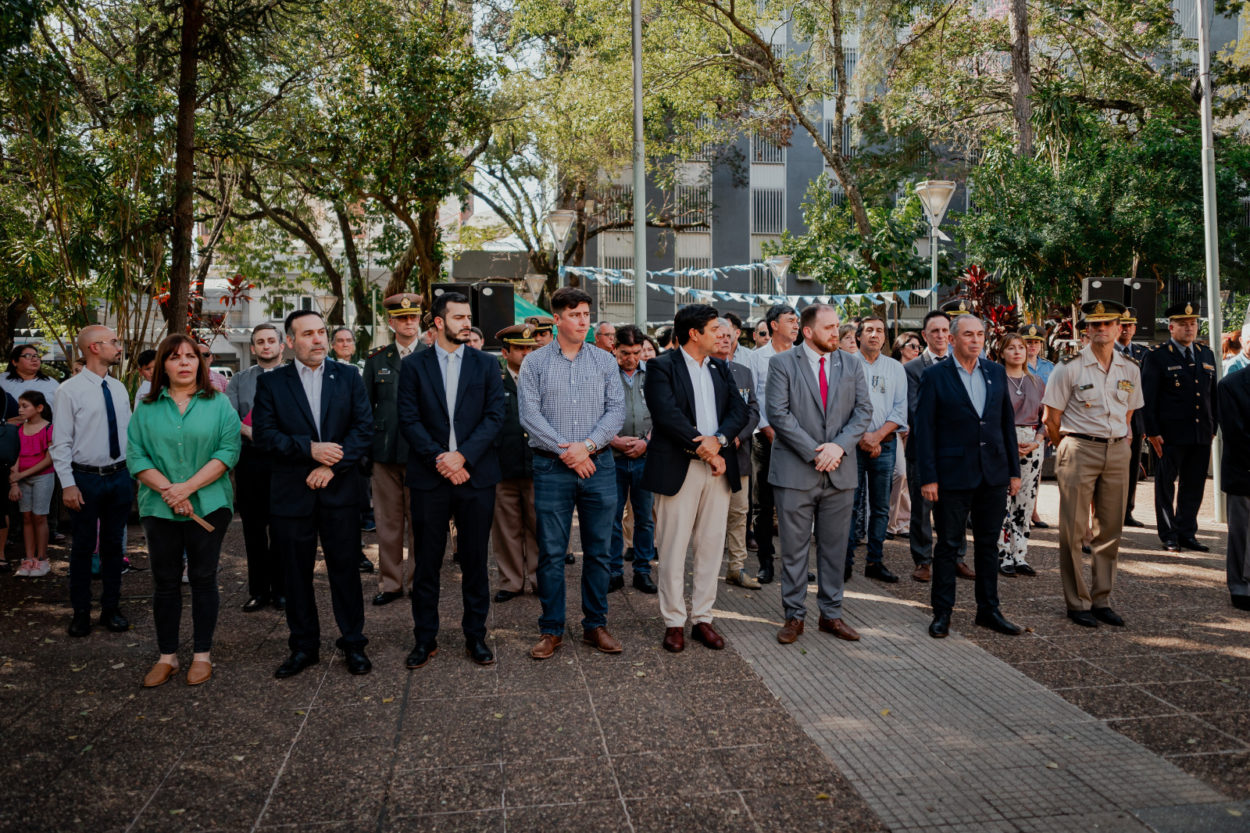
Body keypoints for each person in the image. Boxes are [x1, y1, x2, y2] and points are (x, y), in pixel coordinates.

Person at [252, 309, 374, 678]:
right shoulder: (272, 383)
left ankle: (353, 643)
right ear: (290, 342)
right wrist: (309, 450)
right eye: (308, 334)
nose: (318, 339)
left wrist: (330, 465)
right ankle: (304, 646)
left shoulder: (349, 376)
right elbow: (264, 435)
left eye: (321, 332)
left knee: (345, 572)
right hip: (292, 495)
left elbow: (363, 429)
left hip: (339, 492)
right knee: (294, 574)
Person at [396, 292, 504, 669]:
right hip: (430, 477)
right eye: (458, 317)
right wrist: (441, 458)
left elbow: (495, 416)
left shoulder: (487, 365)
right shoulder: (413, 367)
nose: (467, 323)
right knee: (426, 562)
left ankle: (476, 637)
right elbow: (408, 419)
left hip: (476, 477)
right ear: (439, 322)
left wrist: (463, 456)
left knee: (475, 561)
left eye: (468, 316)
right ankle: (424, 639)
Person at [127, 334, 241, 687]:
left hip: (209, 506)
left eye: (191, 356)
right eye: (175, 357)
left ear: (201, 363)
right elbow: (136, 456)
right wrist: (169, 491)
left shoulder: (219, 404)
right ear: (163, 364)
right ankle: (168, 656)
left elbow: (227, 451)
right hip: (158, 509)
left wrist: (187, 489)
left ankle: (202, 655)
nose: (185, 363)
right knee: (165, 581)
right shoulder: (146, 408)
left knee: (204, 578)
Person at [518, 287, 625, 660]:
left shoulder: (605, 361)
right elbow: (530, 416)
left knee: (599, 550)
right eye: (575, 314)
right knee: (550, 552)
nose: (583, 321)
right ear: (558, 319)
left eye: (586, 314)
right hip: (551, 465)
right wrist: (569, 451)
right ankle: (551, 629)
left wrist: (588, 447)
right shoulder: (534, 363)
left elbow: (615, 412)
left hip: (599, 464)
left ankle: (595, 624)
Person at [644, 306, 749, 652]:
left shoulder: (720, 366)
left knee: (710, 546)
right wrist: (707, 450)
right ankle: (674, 621)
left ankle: (703, 618)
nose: (723, 334)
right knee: (673, 547)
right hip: (679, 467)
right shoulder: (661, 366)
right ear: (694, 334)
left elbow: (740, 411)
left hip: (718, 468)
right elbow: (667, 416)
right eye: (715, 329)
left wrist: (717, 440)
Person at [914, 314, 1023, 638]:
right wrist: (928, 477)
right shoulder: (935, 376)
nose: (975, 340)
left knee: (988, 546)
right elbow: (925, 430)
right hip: (952, 475)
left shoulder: (995, 372)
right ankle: (942, 613)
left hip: (993, 473)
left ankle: (988, 610)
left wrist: (1013, 471)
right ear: (952, 339)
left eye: (980, 334)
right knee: (948, 545)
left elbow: (1005, 424)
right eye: (968, 335)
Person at [769, 304, 872, 645]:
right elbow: (779, 415)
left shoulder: (851, 363)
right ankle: (794, 616)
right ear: (809, 332)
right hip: (795, 471)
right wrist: (817, 451)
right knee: (794, 550)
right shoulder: (782, 363)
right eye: (829, 328)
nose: (837, 333)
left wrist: (838, 448)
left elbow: (863, 412)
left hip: (840, 471)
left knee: (834, 548)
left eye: (838, 326)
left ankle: (831, 615)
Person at [1042, 300, 1142, 628]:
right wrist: (1068, 447)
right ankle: (1077, 602)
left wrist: (1116, 441)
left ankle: (1102, 599)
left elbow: (1128, 414)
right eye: (1094, 325)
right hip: (1079, 447)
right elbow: (1050, 419)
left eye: (1107, 324)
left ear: (1119, 327)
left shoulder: (1130, 368)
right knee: (1072, 530)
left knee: (1110, 529)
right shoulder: (1068, 367)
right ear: (1086, 330)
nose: (1101, 329)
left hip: (1116, 450)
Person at [51, 326, 133, 638]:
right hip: (85, 479)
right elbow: (60, 443)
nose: (118, 347)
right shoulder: (68, 390)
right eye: (113, 342)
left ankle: (111, 608)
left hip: (119, 476)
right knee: (83, 548)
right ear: (95, 348)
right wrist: (68, 484)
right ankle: (81, 612)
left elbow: (128, 433)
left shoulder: (119, 387)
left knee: (115, 546)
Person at [1141, 301, 1218, 554]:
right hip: (1169, 436)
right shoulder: (1157, 356)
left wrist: (1213, 426)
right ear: (1171, 327)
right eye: (1183, 324)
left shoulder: (1206, 354)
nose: (1189, 328)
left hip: (1200, 434)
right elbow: (1148, 398)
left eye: (1193, 324)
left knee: (1194, 486)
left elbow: (1212, 395)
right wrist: (1152, 432)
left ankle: (1187, 533)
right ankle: (1168, 534)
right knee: (1165, 485)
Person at [363, 293, 425, 606]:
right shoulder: (377, 360)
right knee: (387, 522)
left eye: (413, 317)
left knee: (421, 521)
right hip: (384, 452)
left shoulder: (433, 355)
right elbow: (364, 407)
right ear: (391, 322)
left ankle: (417, 582)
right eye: (402, 318)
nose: (408, 322)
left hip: (421, 453)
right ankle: (390, 583)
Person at [905, 309, 972, 583]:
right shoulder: (912, 369)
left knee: (957, 507)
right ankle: (923, 560)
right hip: (923, 450)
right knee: (921, 510)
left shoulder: (966, 363)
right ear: (924, 335)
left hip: (957, 452)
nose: (941, 336)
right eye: (935, 331)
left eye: (946, 331)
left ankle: (956, 557)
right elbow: (914, 410)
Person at [226, 324, 286, 612]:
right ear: (252, 348)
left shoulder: (294, 377)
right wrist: (251, 433)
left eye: (271, 341)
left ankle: (283, 590)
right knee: (253, 529)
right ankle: (258, 591)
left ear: (281, 346)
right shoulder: (239, 380)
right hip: (251, 460)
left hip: (285, 461)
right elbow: (229, 418)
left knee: (283, 528)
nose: (266, 346)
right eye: (260, 342)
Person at [846, 315, 907, 583]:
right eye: (869, 330)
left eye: (880, 330)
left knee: (881, 506)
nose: (875, 335)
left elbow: (900, 408)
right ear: (858, 336)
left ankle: (875, 561)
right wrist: (862, 438)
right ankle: (844, 562)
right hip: (852, 445)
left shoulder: (895, 368)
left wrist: (878, 437)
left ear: (885, 337)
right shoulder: (846, 364)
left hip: (886, 444)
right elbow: (841, 407)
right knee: (850, 505)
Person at [492, 325, 540, 603]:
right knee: (506, 527)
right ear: (505, 352)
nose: (525, 353)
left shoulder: (542, 379)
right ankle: (510, 581)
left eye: (529, 348)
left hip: (537, 465)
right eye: (520, 349)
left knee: (538, 526)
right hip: (503, 464)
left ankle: (538, 578)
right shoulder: (495, 381)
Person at [752, 304, 799, 584]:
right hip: (765, 440)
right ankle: (765, 562)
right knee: (763, 505)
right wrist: (766, 428)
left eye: (797, 321)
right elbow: (752, 400)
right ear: (773, 325)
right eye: (790, 321)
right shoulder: (758, 359)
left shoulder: (803, 357)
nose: (795, 325)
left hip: (798, 442)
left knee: (795, 506)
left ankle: (795, 565)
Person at [608, 325, 657, 593]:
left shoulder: (652, 375)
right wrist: (612, 439)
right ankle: (614, 571)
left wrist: (647, 442)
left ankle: (642, 570)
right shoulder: (605, 374)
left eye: (636, 353)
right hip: (612, 455)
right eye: (625, 353)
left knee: (644, 517)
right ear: (614, 349)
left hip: (644, 455)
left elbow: (662, 413)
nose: (631, 358)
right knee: (612, 517)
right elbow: (594, 411)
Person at [713, 318, 760, 589]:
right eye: (719, 336)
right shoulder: (702, 370)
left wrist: (740, 436)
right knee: (709, 518)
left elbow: (753, 410)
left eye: (729, 336)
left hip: (740, 456)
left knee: (739, 513)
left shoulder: (743, 371)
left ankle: (737, 567)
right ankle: (706, 569)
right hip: (711, 457)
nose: (725, 341)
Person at [997, 332, 1046, 577]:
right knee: (1003, 501)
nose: (1017, 351)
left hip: (1032, 447)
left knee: (1025, 502)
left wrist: (1037, 441)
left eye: (1021, 347)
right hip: (1004, 445)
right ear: (1002, 352)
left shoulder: (1037, 381)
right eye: (1011, 347)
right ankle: (1003, 554)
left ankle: (1020, 554)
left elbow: (1045, 418)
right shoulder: (995, 379)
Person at [10, 391, 54, 577]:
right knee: (26, 517)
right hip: (21, 479)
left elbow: (49, 459)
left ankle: (42, 559)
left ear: (39, 408)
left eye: (24, 406)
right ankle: (28, 558)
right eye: (19, 406)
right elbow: (15, 456)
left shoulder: (48, 428)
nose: (20, 409)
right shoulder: (19, 430)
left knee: (40, 517)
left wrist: (22, 475)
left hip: (43, 477)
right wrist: (14, 482)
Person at [1217, 363, 1250, 611]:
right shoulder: (1231, 385)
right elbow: (1236, 433)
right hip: (1244, 470)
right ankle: (1241, 587)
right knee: (1242, 533)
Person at [1114, 309, 1150, 528]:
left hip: (1135, 420)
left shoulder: (1143, 353)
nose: (1126, 329)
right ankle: (1112, 511)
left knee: (1132, 467)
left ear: (1135, 328)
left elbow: (1146, 390)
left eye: (1130, 325)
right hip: (1112, 418)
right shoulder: (1108, 352)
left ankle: (1127, 511)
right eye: (1123, 325)